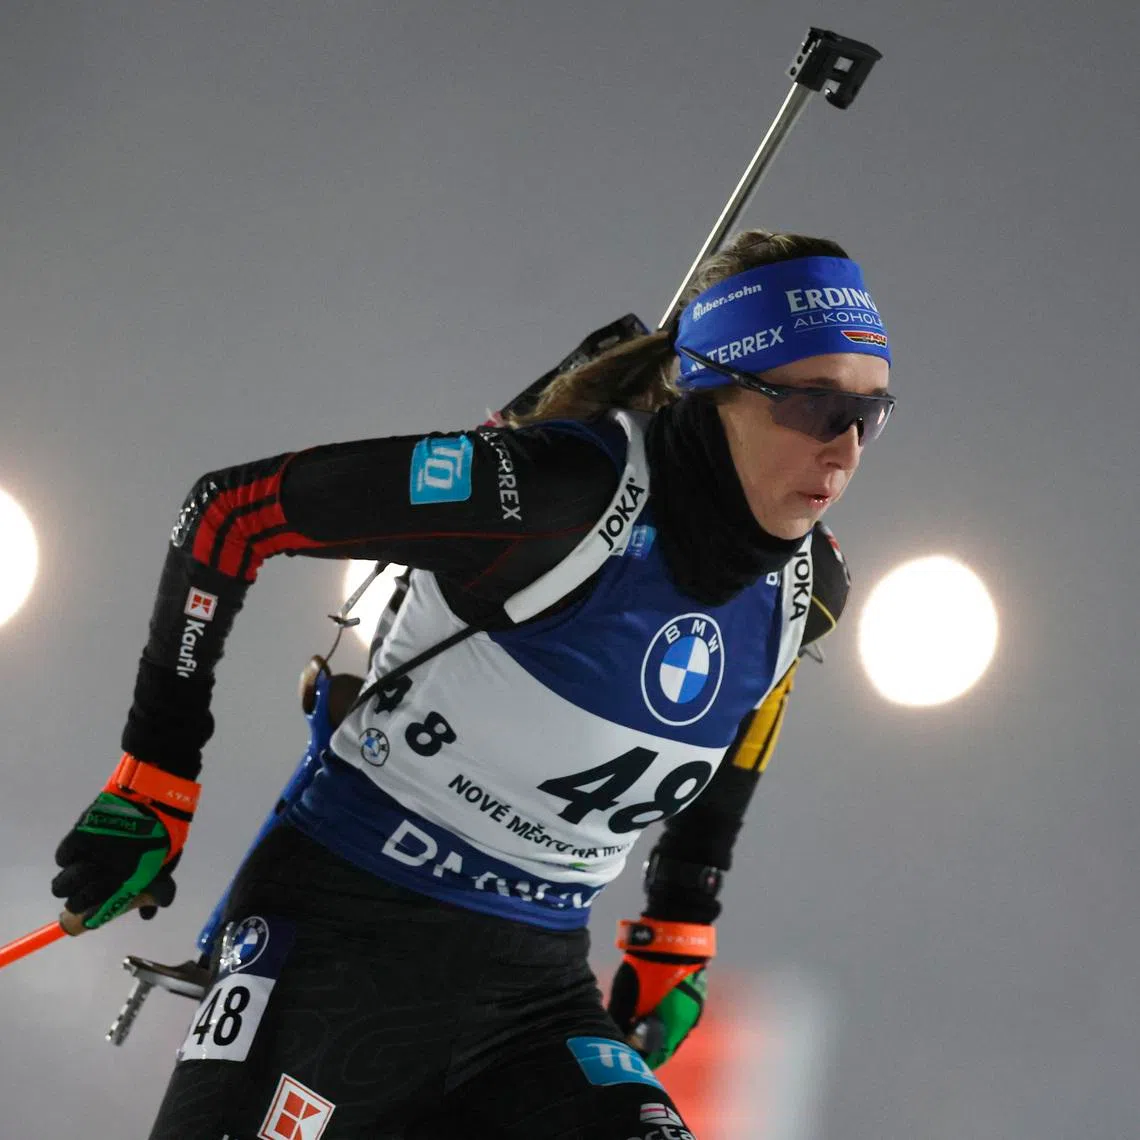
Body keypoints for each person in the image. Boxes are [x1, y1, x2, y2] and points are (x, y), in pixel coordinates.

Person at [50, 228, 894, 1140]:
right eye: (812, 408)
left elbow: (752, 705)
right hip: (341, 946)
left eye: (870, 414)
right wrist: (155, 776)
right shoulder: (563, 495)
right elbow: (226, 514)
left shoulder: (807, 588)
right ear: (715, 389)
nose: (844, 450)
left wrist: (681, 918)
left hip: (532, 994)